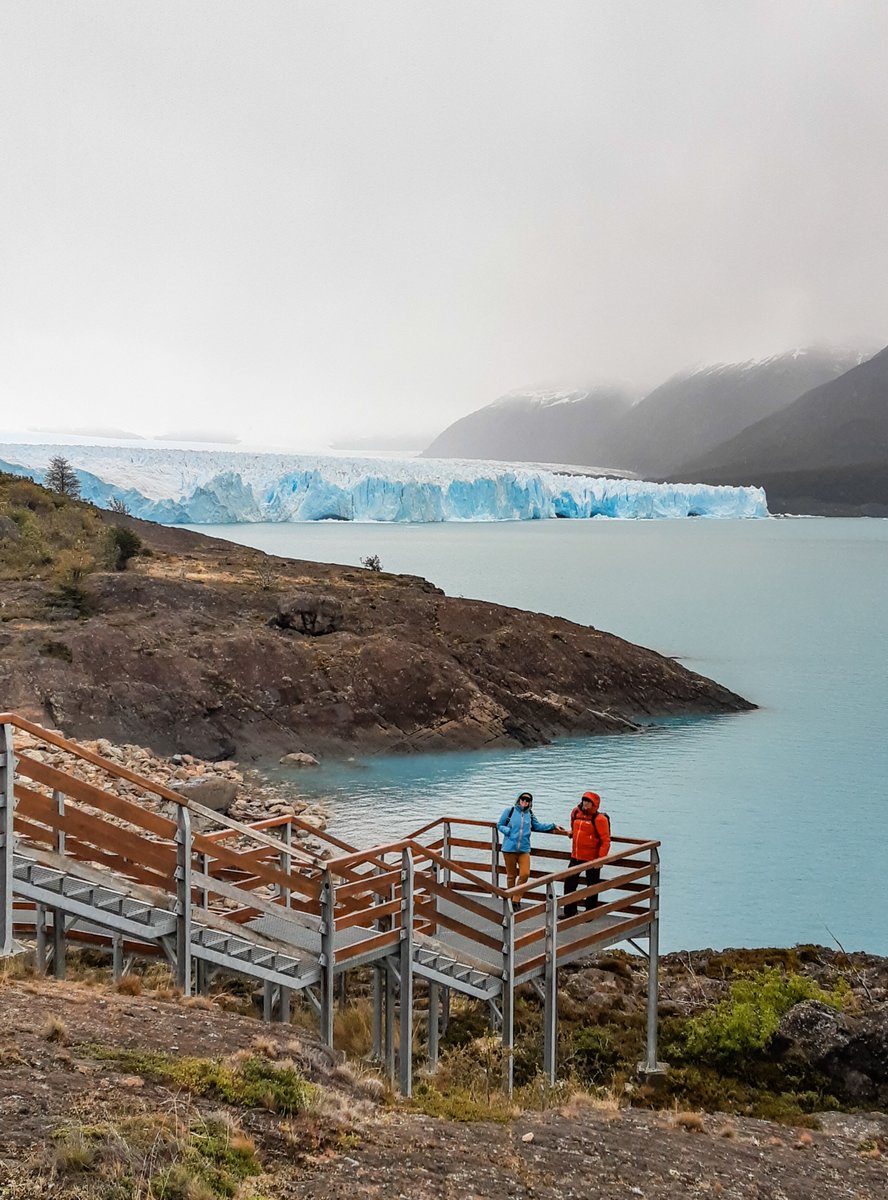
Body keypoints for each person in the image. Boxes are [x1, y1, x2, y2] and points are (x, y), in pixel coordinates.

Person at [497, 792, 568, 907]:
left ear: (530, 802)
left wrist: (553, 826)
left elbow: (537, 826)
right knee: (511, 876)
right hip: (509, 848)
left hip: (524, 849)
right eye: (523, 799)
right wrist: (508, 831)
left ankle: (516, 899)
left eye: (527, 800)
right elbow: (499, 825)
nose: (525, 801)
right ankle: (510, 900)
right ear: (518, 799)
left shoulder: (529, 814)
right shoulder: (509, 811)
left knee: (525, 874)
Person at [563, 790, 611, 918]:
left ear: (594, 804)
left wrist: (600, 860)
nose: (585, 803)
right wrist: (571, 833)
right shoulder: (575, 812)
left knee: (592, 887)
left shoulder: (600, 819)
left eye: (588, 801)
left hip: (592, 859)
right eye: (584, 800)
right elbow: (575, 828)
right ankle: (570, 911)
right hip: (576, 856)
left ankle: (589, 913)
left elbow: (605, 841)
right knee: (569, 884)